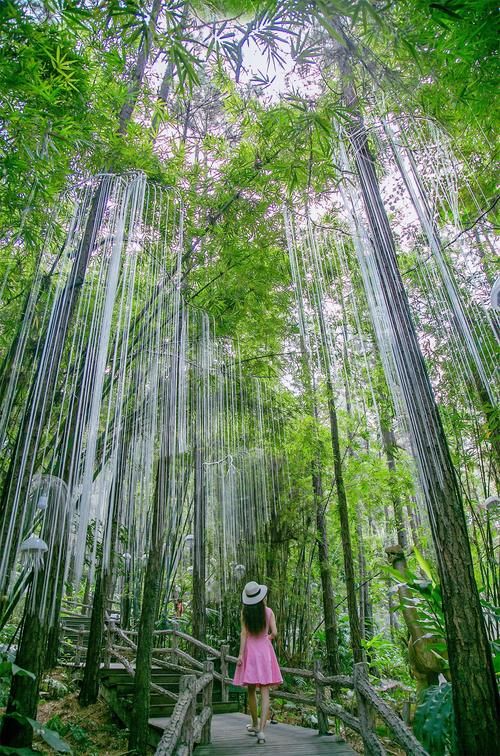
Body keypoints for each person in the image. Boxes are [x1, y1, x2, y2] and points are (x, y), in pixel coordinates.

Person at [232, 580, 283, 744]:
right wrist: (266, 638)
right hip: (265, 652)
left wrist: (240, 655)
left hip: (250, 653)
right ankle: (261, 730)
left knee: (251, 690)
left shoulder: (245, 613)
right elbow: (274, 633)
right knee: (265, 691)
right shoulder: (269, 612)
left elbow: (243, 634)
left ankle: (254, 724)